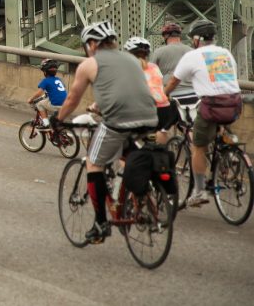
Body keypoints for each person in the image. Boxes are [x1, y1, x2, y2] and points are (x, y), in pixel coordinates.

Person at [52, 21, 158, 243]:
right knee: (128, 158)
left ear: (92, 43)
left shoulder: (89, 64)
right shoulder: (133, 60)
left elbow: (72, 99)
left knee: (94, 162)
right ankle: (141, 201)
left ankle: (100, 223)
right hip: (150, 117)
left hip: (118, 121)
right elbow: (125, 89)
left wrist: (58, 119)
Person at [165, 19, 243, 207]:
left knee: (198, 146)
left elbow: (174, 82)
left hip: (212, 105)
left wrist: (162, 95)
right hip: (234, 103)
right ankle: (230, 155)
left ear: (197, 39)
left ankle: (199, 191)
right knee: (221, 128)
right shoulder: (225, 53)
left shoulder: (192, 56)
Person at [124, 37, 172, 144]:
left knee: (125, 141)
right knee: (159, 134)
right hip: (165, 109)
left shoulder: (128, 67)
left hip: (143, 110)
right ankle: (162, 154)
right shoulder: (154, 67)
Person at [28, 59, 66, 127]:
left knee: (39, 104)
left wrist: (31, 99)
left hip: (56, 105)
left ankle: (46, 123)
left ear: (45, 72)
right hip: (66, 105)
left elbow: (39, 93)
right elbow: (57, 92)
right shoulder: (59, 80)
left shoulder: (45, 81)